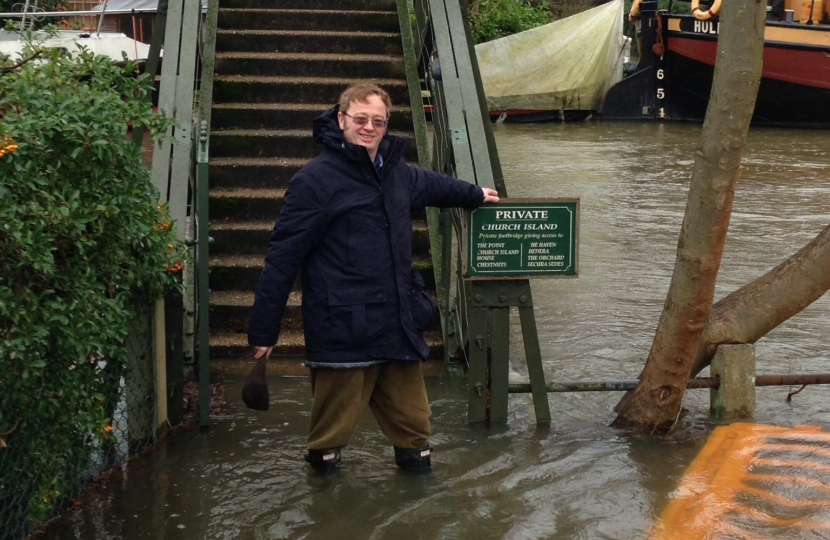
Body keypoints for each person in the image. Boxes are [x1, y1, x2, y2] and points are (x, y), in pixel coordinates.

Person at [248, 83, 499, 473]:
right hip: (343, 331)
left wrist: (476, 195)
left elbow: (435, 186)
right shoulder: (314, 182)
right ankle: (326, 499)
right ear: (341, 119)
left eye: (378, 121)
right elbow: (282, 260)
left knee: (415, 431)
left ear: (386, 124)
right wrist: (264, 332)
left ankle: (418, 502)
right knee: (329, 436)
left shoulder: (395, 172)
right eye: (361, 119)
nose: (369, 127)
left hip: (397, 327)